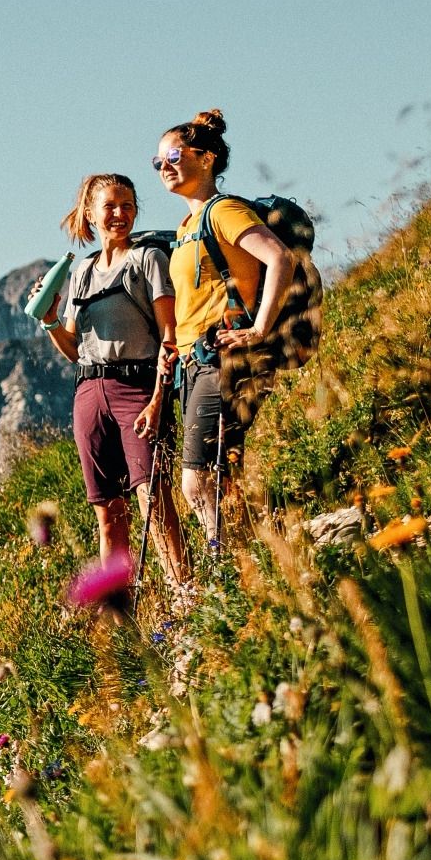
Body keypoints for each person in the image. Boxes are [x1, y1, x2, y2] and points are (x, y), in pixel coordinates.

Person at [153, 109, 293, 554]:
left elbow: (280, 259)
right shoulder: (186, 227)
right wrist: (172, 346)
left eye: (174, 155)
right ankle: (253, 560)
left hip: (225, 357)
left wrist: (259, 328)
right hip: (193, 362)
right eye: (157, 162)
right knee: (221, 474)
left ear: (207, 158)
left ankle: (231, 567)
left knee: (197, 481)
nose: (165, 167)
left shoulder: (224, 211)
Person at [35, 173, 188, 580]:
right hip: (88, 393)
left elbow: (169, 337)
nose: (120, 214)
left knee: (152, 498)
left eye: (128, 205)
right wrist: (51, 321)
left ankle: (184, 595)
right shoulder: (82, 271)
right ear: (90, 213)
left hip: (137, 388)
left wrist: (158, 400)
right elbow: (74, 348)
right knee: (107, 510)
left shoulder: (148, 260)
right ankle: (120, 613)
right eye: (110, 206)